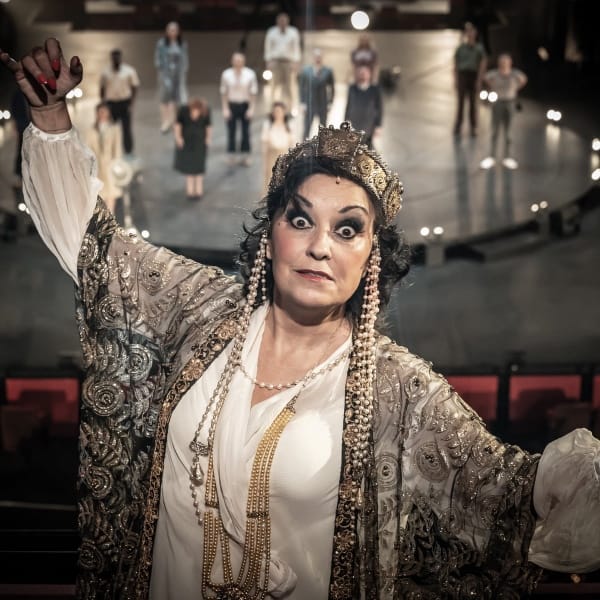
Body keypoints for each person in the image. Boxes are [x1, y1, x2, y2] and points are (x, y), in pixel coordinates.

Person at [3, 38, 600, 600]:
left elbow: (514, 493)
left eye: (348, 229)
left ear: (371, 256)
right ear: (270, 236)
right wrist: (51, 117)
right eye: (300, 219)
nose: (319, 246)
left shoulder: (400, 390)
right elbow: (93, 248)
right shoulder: (195, 308)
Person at [480, 53, 528, 170]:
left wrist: (516, 87)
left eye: (506, 62)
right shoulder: (495, 74)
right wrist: (492, 86)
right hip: (498, 102)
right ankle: (492, 156)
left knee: (509, 132)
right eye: (502, 62)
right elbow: (486, 77)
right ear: (499, 64)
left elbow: (523, 79)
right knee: (495, 130)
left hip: (510, 102)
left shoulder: (514, 74)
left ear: (510, 63)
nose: (504, 64)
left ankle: (508, 157)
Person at [220, 52, 258, 167]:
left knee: (245, 131)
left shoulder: (250, 74)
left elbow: (253, 92)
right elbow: (224, 92)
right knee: (231, 131)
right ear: (232, 61)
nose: (238, 63)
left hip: (244, 104)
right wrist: (225, 108)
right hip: (232, 104)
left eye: (240, 61)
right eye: (236, 61)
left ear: (243, 62)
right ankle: (231, 155)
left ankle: (245, 155)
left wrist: (251, 108)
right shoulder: (226, 74)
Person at [99, 48, 140, 155]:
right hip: (111, 104)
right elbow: (102, 88)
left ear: (121, 58)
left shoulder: (129, 71)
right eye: (114, 57)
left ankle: (128, 151)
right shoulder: (105, 72)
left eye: (118, 57)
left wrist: (131, 102)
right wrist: (103, 103)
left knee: (126, 128)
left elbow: (134, 86)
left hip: (124, 102)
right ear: (111, 58)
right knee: (111, 128)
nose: (116, 59)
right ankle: (112, 150)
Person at [85, 102, 122, 212]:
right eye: (100, 112)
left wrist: (117, 164)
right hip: (98, 168)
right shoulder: (91, 130)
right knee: (100, 195)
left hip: (110, 166)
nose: (102, 114)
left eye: (104, 112)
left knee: (111, 193)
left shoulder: (114, 128)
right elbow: (88, 149)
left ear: (108, 113)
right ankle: (104, 218)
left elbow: (117, 148)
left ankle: (111, 217)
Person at [174, 97, 212, 200]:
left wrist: (208, 138)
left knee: (199, 166)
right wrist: (178, 138)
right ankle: (190, 190)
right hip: (187, 142)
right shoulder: (183, 110)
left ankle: (199, 190)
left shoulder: (206, 111)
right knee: (189, 167)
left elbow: (208, 126)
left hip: (199, 142)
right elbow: (178, 125)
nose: (196, 114)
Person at [154, 21, 189, 134]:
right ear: (167, 31)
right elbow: (157, 59)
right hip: (165, 74)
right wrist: (162, 72)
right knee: (165, 98)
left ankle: (174, 121)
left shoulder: (182, 44)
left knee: (176, 99)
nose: (172, 32)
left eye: (175, 30)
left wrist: (183, 72)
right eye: (170, 30)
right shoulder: (161, 44)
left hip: (177, 75)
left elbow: (185, 60)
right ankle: (165, 121)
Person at [453, 22, 487, 137]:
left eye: (472, 31)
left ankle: (473, 126)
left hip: (473, 75)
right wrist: (456, 79)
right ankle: (458, 125)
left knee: (473, 103)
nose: (470, 34)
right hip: (463, 75)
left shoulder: (479, 48)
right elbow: (456, 64)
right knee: (461, 102)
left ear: (475, 33)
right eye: (468, 32)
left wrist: (479, 80)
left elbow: (482, 64)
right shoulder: (460, 48)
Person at [263, 12, 301, 109]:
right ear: (277, 22)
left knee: (290, 86)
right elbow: (267, 48)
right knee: (273, 86)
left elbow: (296, 48)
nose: (282, 23)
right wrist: (268, 61)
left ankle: (290, 108)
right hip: (275, 61)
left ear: (288, 21)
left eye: (284, 21)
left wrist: (296, 62)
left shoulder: (293, 32)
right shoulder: (271, 32)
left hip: (288, 62)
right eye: (281, 21)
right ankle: (273, 108)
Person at [298, 48, 335, 140]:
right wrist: (302, 102)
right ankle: (304, 146)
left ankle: (323, 147)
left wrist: (330, 102)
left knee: (324, 129)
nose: (318, 58)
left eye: (319, 56)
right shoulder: (306, 71)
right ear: (313, 57)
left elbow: (332, 88)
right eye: (316, 56)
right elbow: (302, 87)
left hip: (323, 103)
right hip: (310, 103)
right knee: (307, 128)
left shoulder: (328, 71)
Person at [344, 64, 382, 149]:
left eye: (365, 73)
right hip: (355, 124)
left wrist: (378, 125)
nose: (363, 75)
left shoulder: (375, 90)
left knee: (367, 149)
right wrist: (345, 122)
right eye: (361, 73)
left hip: (369, 125)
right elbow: (348, 105)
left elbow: (379, 108)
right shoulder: (352, 88)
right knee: (353, 148)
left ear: (369, 75)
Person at [261, 101, 295, 194]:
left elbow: (292, 144)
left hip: (284, 156)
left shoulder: (289, 126)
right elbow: (265, 142)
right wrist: (265, 160)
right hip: (271, 156)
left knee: (283, 180)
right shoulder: (268, 125)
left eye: (280, 111)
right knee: (270, 180)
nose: (278, 114)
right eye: (276, 111)